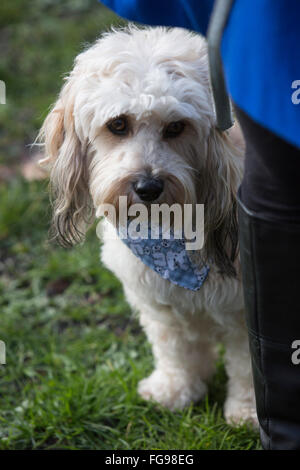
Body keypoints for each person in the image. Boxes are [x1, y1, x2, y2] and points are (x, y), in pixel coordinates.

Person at [99, 0, 300, 450]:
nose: (146, 172)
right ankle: (181, 373)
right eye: (118, 126)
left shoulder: (245, 184)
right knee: (156, 305)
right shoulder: (121, 227)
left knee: (251, 310)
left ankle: (250, 393)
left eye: (174, 131)